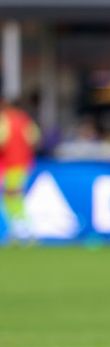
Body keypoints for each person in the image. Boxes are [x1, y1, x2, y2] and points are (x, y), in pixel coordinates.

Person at [0, 99, 40, 242]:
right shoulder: (26, 121)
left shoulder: (5, 119)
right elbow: (35, 139)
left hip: (10, 164)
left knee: (11, 198)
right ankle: (19, 231)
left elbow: (2, 140)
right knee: (14, 197)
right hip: (24, 164)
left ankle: (23, 232)